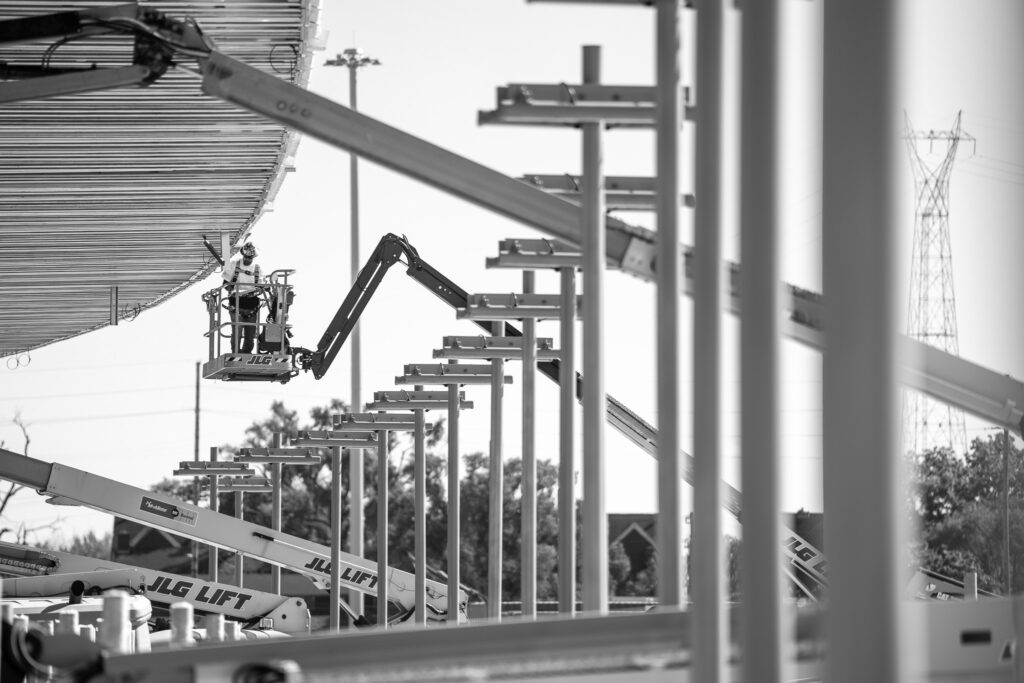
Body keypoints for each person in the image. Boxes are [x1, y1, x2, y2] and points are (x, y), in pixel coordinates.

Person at [222, 242, 262, 353]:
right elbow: (225, 285)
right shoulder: (234, 265)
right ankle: (236, 353)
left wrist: (252, 293)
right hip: (236, 305)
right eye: (247, 257)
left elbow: (261, 288)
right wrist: (233, 289)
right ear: (243, 255)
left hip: (252, 306)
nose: (248, 260)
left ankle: (246, 354)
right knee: (237, 333)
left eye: (251, 257)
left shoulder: (258, 269)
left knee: (250, 335)